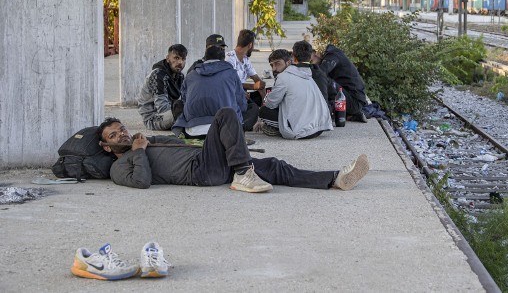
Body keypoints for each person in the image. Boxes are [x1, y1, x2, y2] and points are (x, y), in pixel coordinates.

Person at [97, 109, 369, 192]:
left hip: (208, 160)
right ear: (107, 146)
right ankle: (242, 173)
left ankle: (335, 178)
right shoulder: (118, 166)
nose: (122, 133)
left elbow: (183, 146)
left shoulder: (146, 141)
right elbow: (142, 181)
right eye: (114, 134)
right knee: (226, 114)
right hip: (200, 172)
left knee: (275, 166)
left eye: (122, 128)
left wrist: (229, 146)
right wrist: (140, 150)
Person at [259, 41, 333, 139]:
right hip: (320, 127)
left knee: (263, 111)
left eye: (277, 64)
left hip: (302, 131)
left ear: (291, 59)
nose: (274, 69)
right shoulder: (308, 74)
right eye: (272, 65)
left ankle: (276, 128)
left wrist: (266, 99)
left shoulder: (284, 77)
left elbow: (271, 104)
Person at [172, 45, 249, 137]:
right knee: (252, 108)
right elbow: (242, 104)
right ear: (223, 59)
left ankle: (182, 132)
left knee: (178, 104)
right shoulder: (231, 73)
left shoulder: (191, 75)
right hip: (225, 132)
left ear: (204, 59)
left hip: (193, 131)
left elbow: (185, 101)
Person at [311, 44, 368, 123]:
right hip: (350, 101)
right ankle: (350, 114)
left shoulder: (333, 56)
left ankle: (324, 114)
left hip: (354, 101)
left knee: (322, 79)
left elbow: (321, 73)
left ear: (316, 53)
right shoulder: (333, 55)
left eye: (311, 61)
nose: (313, 65)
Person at [138, 44, 188, 130]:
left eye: (183, 59)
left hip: (170, 113)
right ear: (168, 58)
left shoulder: (180, 76)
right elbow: (162, 108)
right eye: (176, 58)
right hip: (154, 118)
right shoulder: (157, 75)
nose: (180, 62)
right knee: (182, 109)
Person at [225, 29, 265, 106]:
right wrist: (253, 86)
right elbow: (230, 83)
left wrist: (264, 101)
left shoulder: (245, 59)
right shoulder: (229, 59)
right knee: (252, 107)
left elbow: (258, 81)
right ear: (250, 45)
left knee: (269, 91)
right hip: (231, 96)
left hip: (243, 94)